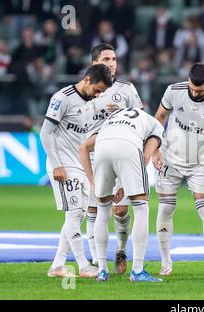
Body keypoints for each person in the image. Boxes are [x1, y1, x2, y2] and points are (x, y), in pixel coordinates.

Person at [153, 63, 204, 277]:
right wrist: (155, 150)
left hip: (199, 162)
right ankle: (165, 262)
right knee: (166, 209)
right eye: (192, 87)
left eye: (200, 90)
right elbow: (159, 117)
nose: (195, 92)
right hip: (169, 159)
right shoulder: (174, 91)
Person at [40, 64, 112, 278]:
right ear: (87, 79)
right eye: (97, 89)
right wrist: (56, 164)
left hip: (79, 164)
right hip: (62, 164)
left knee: (78, 214)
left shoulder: (92, 102)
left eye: (102, 92)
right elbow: (46, 132)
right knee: (73, 213)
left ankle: (58, 265)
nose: (98, 94)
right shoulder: (63, 98)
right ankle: (83, 265)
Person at [79, 43, 144, 274]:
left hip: (121, 153)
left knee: (120, 210)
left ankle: (121, 250)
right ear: (94, 62)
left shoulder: (127, 89)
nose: (112, 64)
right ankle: (97, 261)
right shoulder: (84, 88)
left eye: (114, 59)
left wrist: (121, 112)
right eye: (106, 59)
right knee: (93, 209)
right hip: (94, 154)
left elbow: (140, 119)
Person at [86, 107, 164, 282]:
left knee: (103, 210)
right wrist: (127, 183)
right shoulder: (154, 123)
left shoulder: (112, 118)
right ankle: (137, 271)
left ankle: (102, 271)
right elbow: (144, 158)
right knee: (141, 208)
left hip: (101, 147)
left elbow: (84, 147)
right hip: (128, 147)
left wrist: (92, 181)